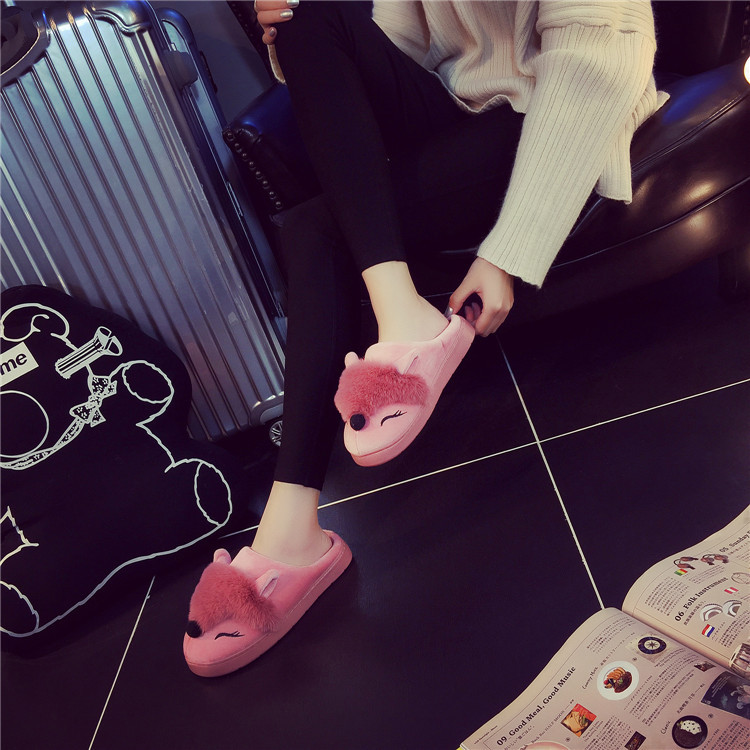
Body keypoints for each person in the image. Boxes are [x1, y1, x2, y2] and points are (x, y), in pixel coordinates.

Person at [183, 0, 665, 677]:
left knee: (314, 229)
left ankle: (291, 529)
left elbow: (594, 65)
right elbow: (398, 48)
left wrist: (508, 253)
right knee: (310, 14)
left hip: (563, 112)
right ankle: (398, 317)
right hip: (464, 112)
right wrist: (295, 39)